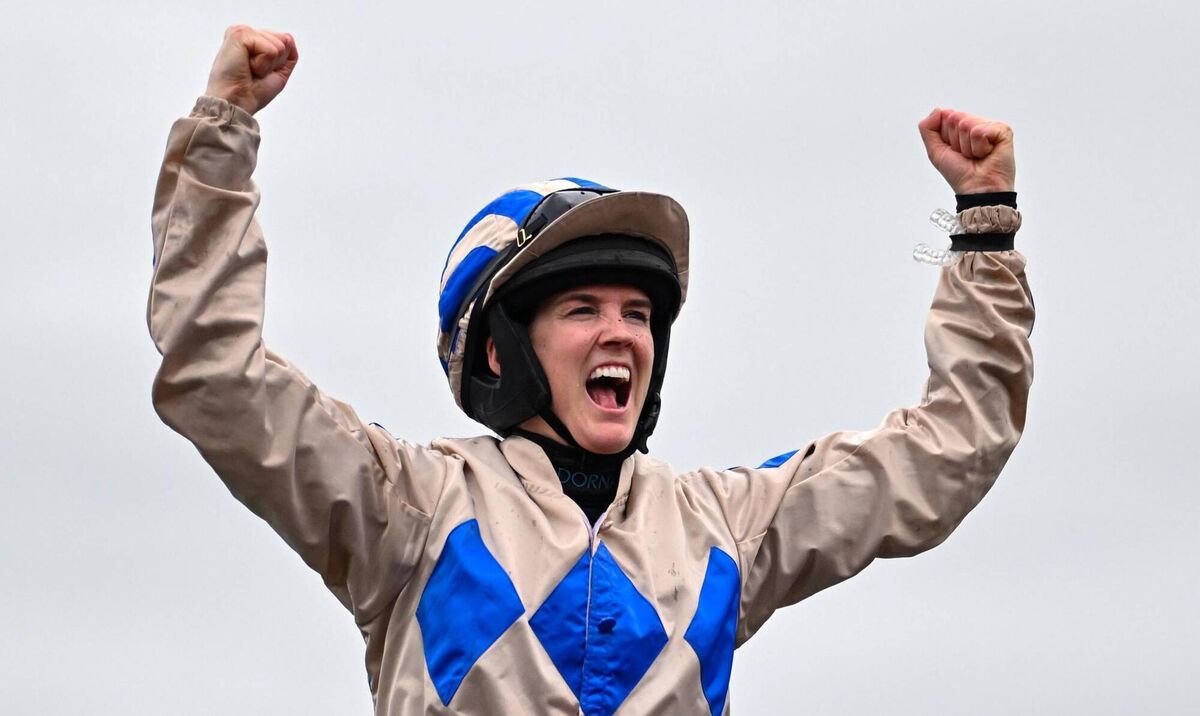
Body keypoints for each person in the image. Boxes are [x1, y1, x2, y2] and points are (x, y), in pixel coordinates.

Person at [148, 25, 1034, 716]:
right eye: (584, 310)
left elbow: (953, 447)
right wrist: (223, 129)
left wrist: (986, 223)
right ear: (499, 351)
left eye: (639, 314)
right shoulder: (407, 509)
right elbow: (216, 374)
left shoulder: (725, 527)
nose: (623, 334)